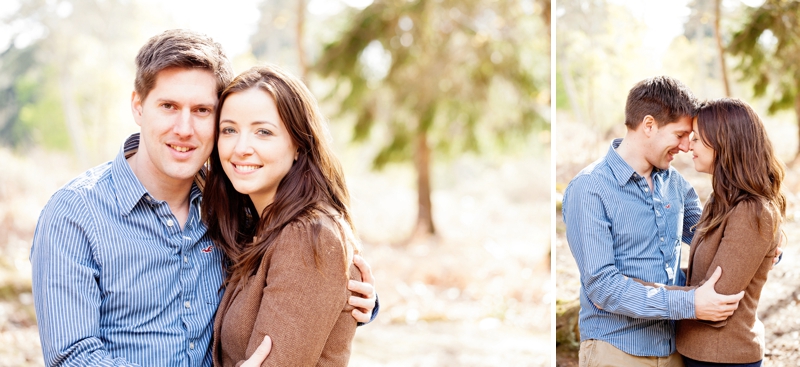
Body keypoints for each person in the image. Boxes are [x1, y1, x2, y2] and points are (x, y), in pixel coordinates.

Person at [30, 29, 377, 367]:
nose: (184, 128)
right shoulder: (75, 214)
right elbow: (72, 357)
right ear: (138, 106)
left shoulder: (231, 205)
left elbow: (292, 282)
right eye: (168, 106)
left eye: (201, 110)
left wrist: (353, 299)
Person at [562, 76, 757, 366]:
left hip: (673, 350)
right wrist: (690, 304)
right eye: (679, 134)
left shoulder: (675, 184)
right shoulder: (590, 189)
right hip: (617, 350)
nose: (684, 147)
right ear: (649, 125)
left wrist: (765, 244)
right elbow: (603, 286)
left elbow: (715, 237)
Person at [203, 64, 361, 366]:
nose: (241, 148)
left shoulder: (308, 235)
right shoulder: (258, 225)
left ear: (299, 145)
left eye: (263, 132)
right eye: (229, 130)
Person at [673, 98, 784, 367]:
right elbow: (702, 278)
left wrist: (638, 290)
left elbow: (716, 301)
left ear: (725, 141)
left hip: (725, 357)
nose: (689, 146)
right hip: (698, 352)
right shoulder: (721, 200)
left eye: (697, 139)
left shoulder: (752, 211)